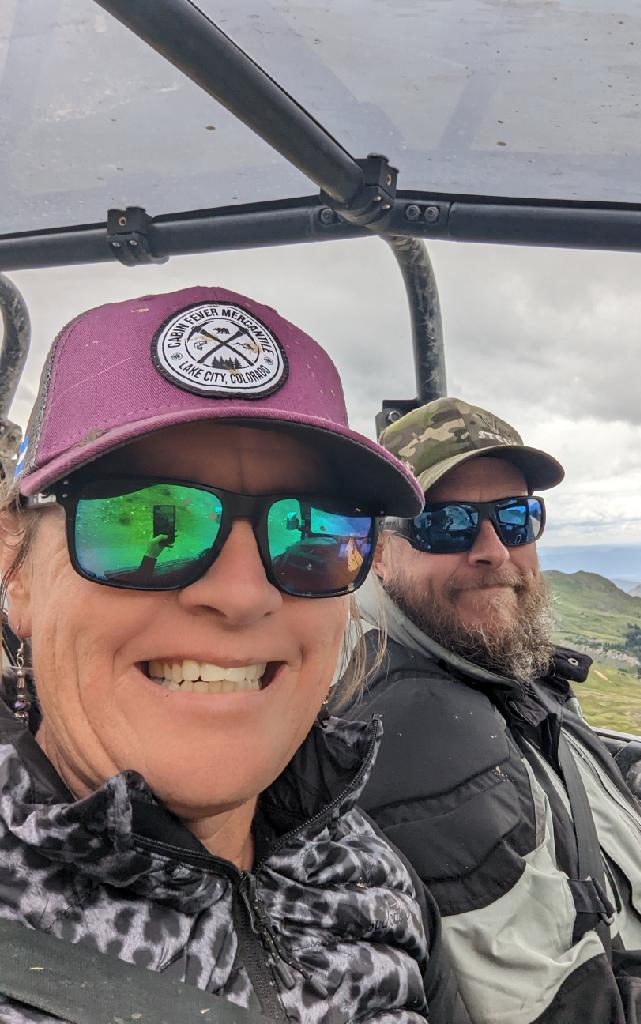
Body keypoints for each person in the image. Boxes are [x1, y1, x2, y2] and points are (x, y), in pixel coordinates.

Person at [0, 288, 468, 1024]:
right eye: (152, 519)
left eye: (314, 531)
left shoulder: (367, 874)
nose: (243, 593)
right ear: (16, 564)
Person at [348, 396, 641, 1024]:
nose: (494, 549)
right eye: (446, 523)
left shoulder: (498, 674)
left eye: (516, 518)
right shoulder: (421, 740)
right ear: (380, 550)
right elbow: (562, 1012)